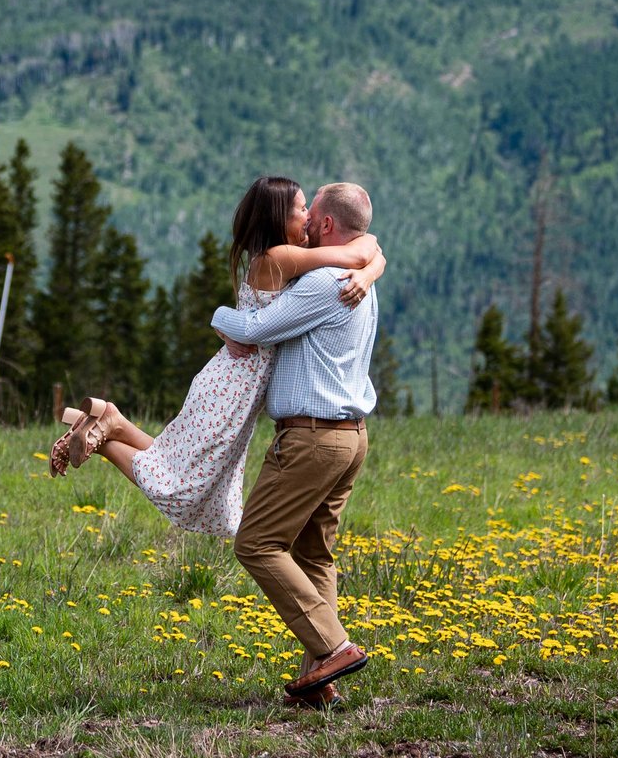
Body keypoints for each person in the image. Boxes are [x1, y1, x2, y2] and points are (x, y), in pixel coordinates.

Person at [49, 176, 382, 546]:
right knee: (186, 491)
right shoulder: (282, 257)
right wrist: (368, 270)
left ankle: (112, 422)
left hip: (237, 384)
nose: (307, 219)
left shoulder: (285, 257)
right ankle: (104, 439)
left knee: (188, 473)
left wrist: (370, 270)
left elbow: (368, 247)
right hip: (233, 387)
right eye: (301, 210)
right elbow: (359, 251)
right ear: (277, 218)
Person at [213, 181, 380, 707]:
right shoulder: (359, 281)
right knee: (314, 554)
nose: (304, 222)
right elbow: (371, 249)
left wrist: (216, 316)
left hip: (311, 438)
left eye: (311, 215)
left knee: (257, 542)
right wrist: (373, 259)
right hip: (350, 439)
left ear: (328, 226)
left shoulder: (323, 283)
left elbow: (254, 328)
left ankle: (334, 648)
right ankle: (320, 681)